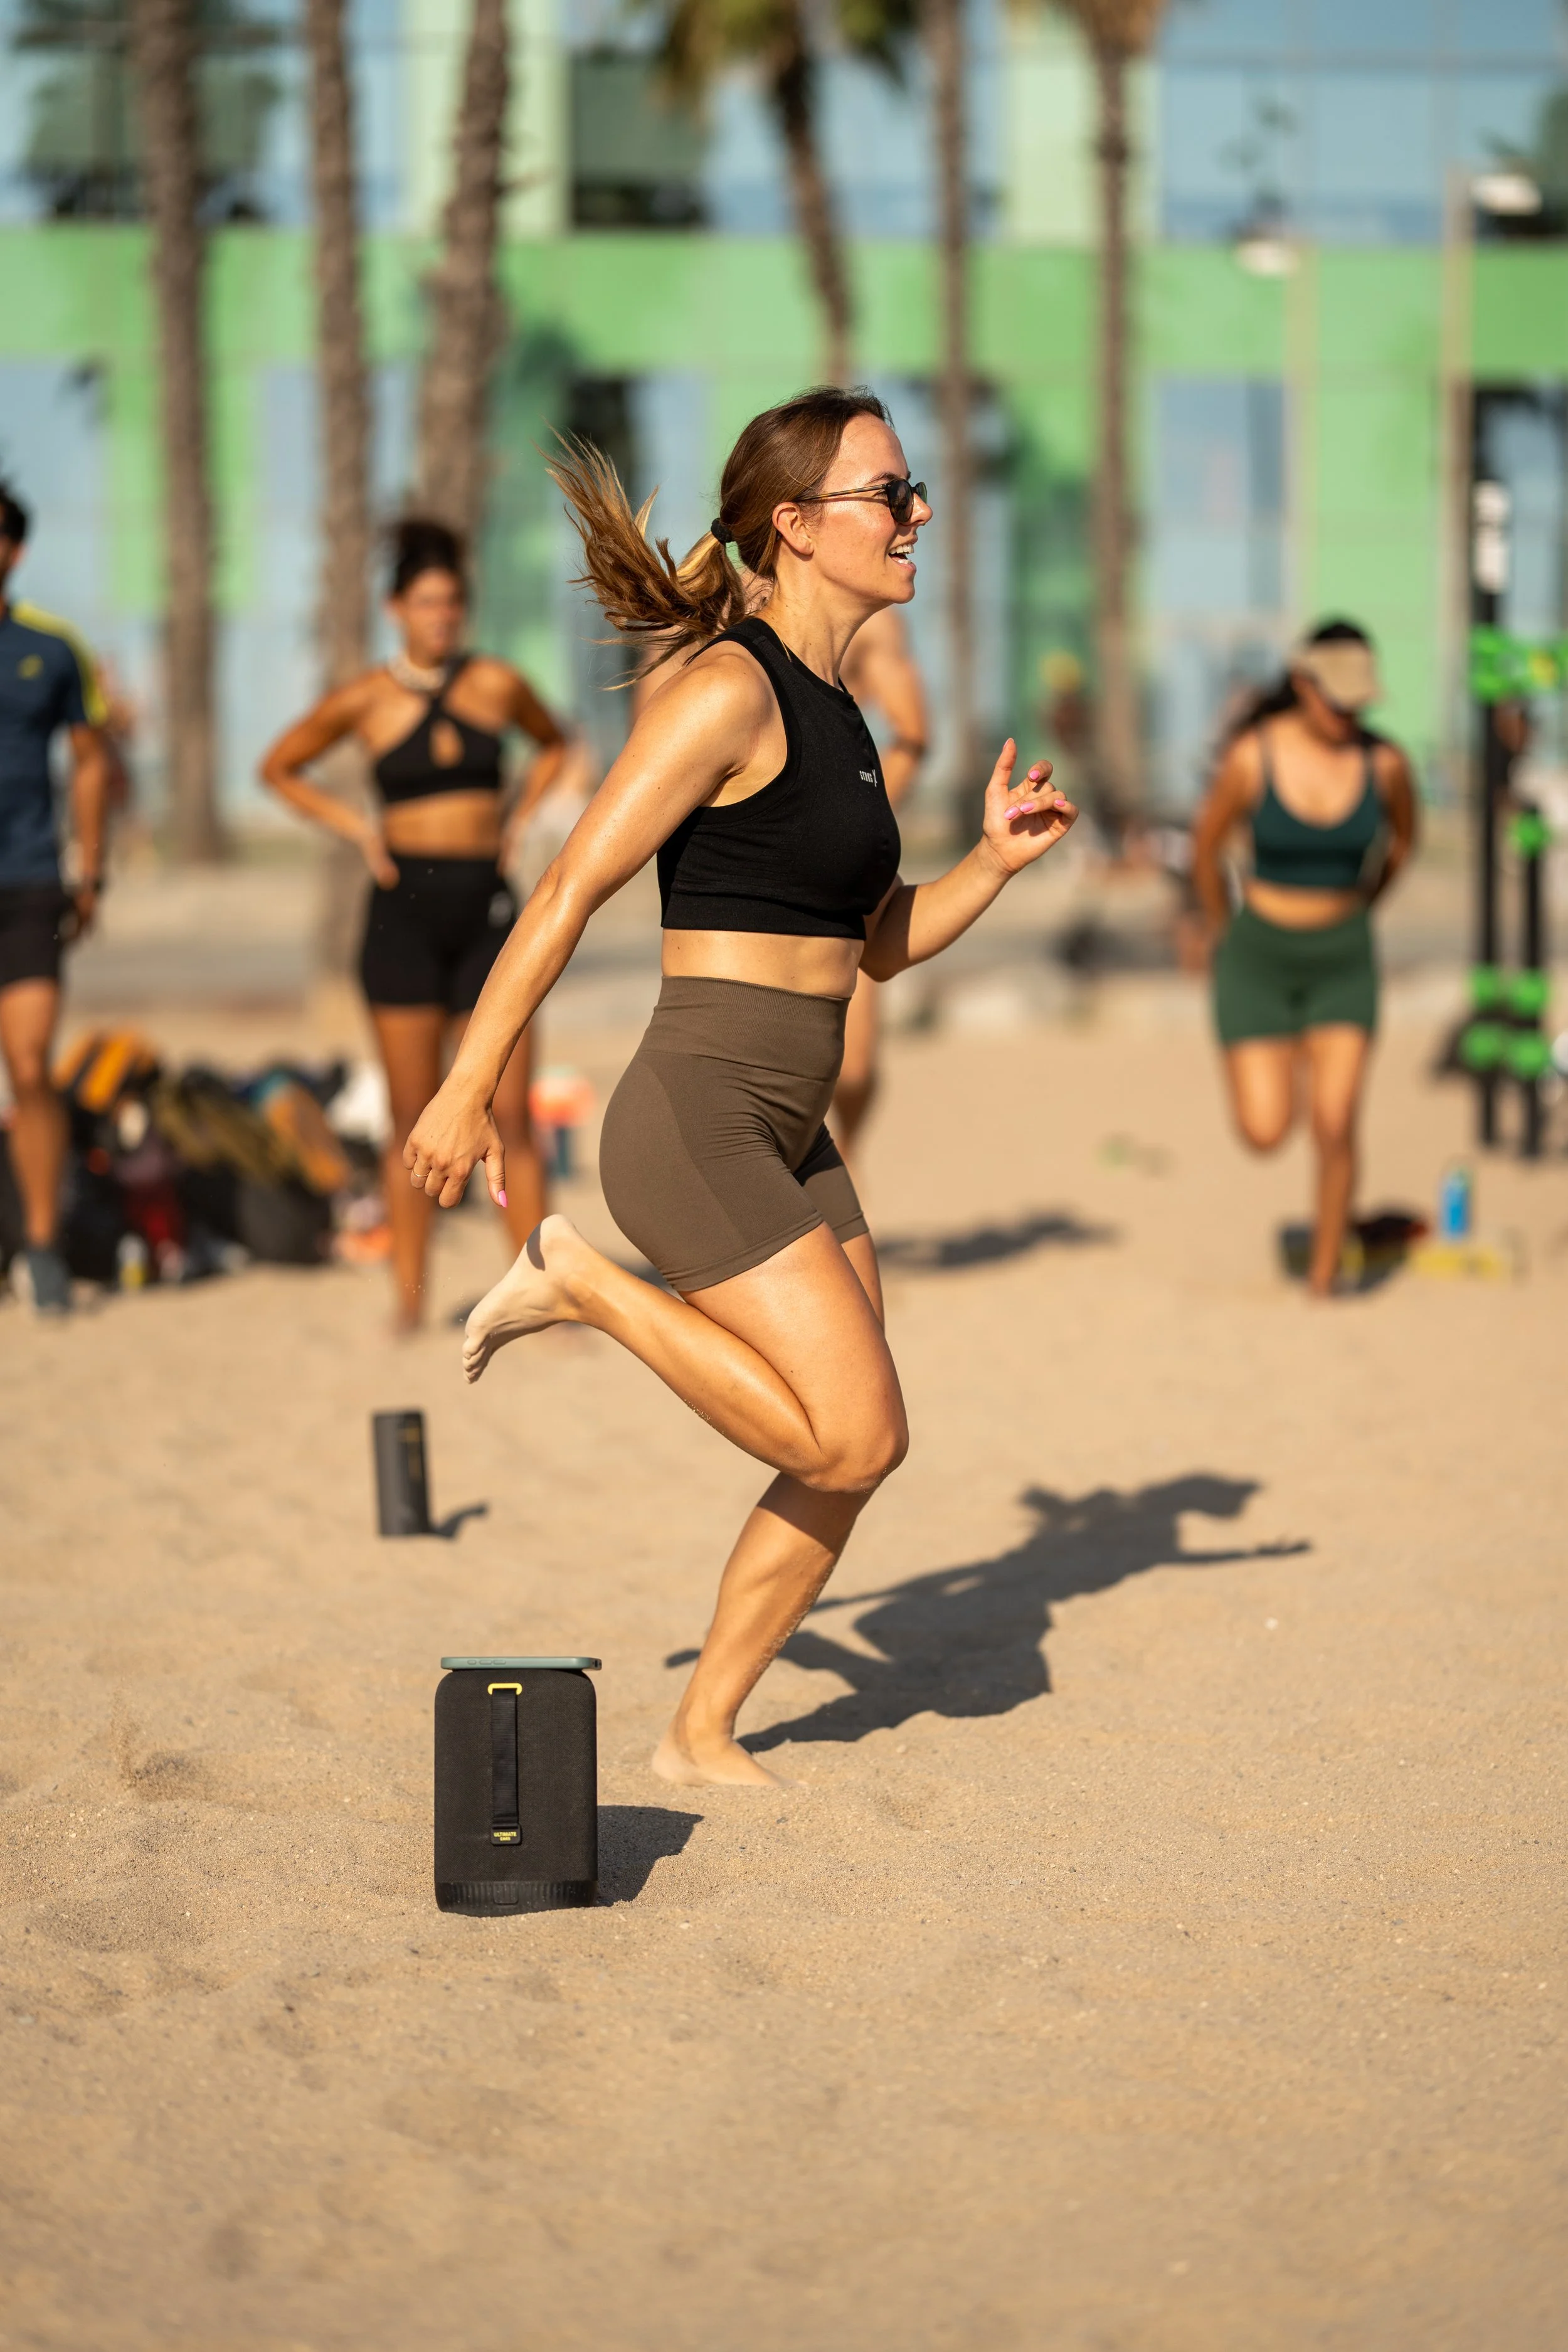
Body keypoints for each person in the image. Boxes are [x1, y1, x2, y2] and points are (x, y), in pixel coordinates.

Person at [402, 388, 1078, 1787]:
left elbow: (871, 945)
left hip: (789, 1123)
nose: (916, 518)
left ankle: (699, 1727)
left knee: (848, 1452)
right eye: (887, 495)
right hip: (695, 1115)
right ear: (794, 525)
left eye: (911, 490)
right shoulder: (724, 688)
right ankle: (579, 1280)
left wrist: (990, 867)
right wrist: (469, 1081)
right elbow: (573, 883)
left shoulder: (839, 717)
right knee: (859, 1426)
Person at [259, 519, 569, 1330]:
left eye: (454, 603)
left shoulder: (497, 684)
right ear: (396, 607)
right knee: (412, 1118)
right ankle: (410, 1301)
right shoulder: (366, 697)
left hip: (490, 913)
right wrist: (356, 827)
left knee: (514, 1113)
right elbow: (279, 767)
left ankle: (537, 1293)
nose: (442, 617)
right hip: (401, 919)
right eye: (427, 603)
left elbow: (554, 744)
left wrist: (520, 818)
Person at [1190, 619, 1418, 1296]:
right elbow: (1205, 850)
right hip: (1256, 954)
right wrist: (1220, 930)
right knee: (1264, 1131)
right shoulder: (1251, 757)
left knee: (1335, 1121)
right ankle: (1286, 1048)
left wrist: (1360, 904)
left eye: (1359, 703)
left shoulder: (1386, 765)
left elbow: (1403, 843)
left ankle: (1324, 1274)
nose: (1348, 714)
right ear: (1301, 685)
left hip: (1342, 958)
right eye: (1335, 700)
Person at [0, 474, 111, 1316]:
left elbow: (91, 759)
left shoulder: (52, 648)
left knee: (31, 1064)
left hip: (32, 881)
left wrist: (93, 871)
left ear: (14, 550)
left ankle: (42, 1243)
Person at [832, 605, 928, 1157]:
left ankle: (846, 1151)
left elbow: (913, 736)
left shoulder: (873, 622)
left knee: (856, 1068)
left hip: (847, 858)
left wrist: (855, 812)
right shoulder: (721, 601)